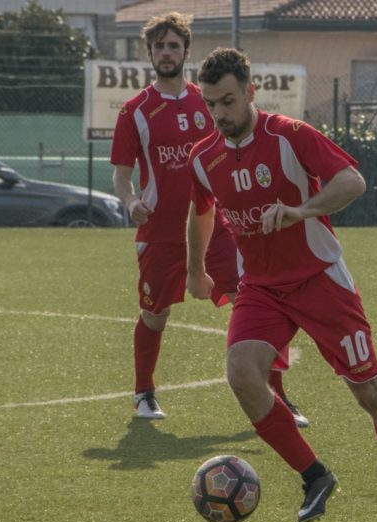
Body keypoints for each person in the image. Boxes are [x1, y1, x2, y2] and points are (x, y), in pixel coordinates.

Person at [185, 47, 377, 522]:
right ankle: (315, 476)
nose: (219, 114)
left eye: (229, 102)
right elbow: (201, 211)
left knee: (371, 394)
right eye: (211, 104)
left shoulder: (289, 136)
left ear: (251, 93)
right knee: (242, 374)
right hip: (262, 289)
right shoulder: (203, 157)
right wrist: (195, 269)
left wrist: (301, 210)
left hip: (320, 281)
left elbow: (353, 181)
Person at [110, 13, 307, 426]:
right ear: (150, 53)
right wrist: (130, 202)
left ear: (186, 51)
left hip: (217, 227)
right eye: (159, 46)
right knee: (154, 314)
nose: (166, 53)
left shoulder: (211, 100)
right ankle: (144, 393)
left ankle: (277, 395)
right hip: (161, 233)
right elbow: (122, 174)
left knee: (255, 303)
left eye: (173, 45)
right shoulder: (135, 111)